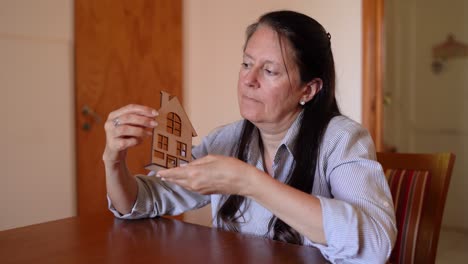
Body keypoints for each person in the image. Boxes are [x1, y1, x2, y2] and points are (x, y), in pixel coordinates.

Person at [103, 10, 397, 263]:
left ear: (308, 90)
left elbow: (375, 244)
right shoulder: (226, 140)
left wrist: (249, 181)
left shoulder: (342, 139)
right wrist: (113, 161)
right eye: (246, 64)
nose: (248, 79)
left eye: (269, 70)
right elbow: (140, 202)